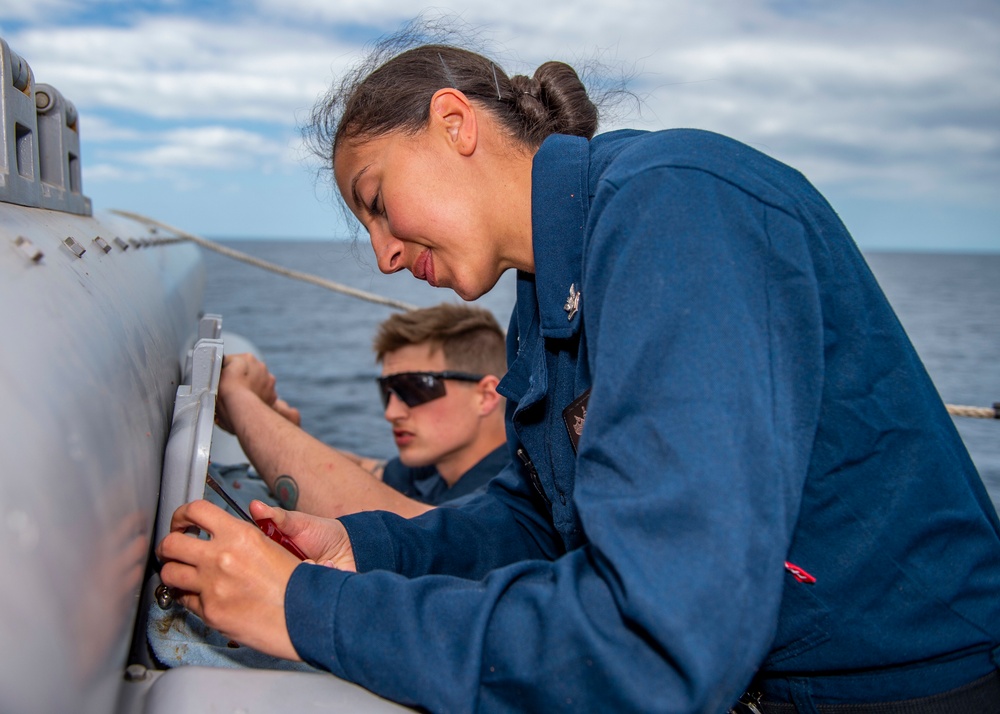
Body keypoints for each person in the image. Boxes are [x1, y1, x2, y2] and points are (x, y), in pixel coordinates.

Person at [157, 32, 1000, 713]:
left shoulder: (676, 209)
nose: (381, 256)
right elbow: (538, 522)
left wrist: (307, 612)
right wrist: (366, 552)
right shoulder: (549, 290)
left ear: (455, 124)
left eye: (377, 200)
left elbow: (658, 640)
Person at [213, 302, 509, 519]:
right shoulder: (435, 469)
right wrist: (279, 428)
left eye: (413, 389)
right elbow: (366, 471)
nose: (392, 413)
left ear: (485, 395)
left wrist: (240, 399)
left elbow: (407, 529)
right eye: (388, 392)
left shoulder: (507, 496)